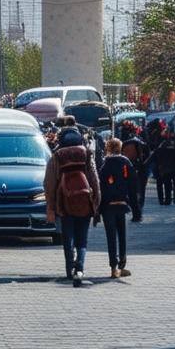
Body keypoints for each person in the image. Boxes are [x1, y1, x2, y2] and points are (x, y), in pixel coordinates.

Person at [44, 122, 100, 286]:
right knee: (82, 240)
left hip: (64, 203)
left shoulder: (57, 156)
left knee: (67, 238)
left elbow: (49, 182)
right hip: (84, 202)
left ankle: (70, 270)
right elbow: (94, 179)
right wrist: (96, 202)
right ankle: (80, 268)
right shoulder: (86, 153)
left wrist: (51, 206)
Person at [98, 138, 137, 278]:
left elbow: (99, 185)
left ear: (108, 148)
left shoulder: (104, 164)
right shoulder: (126, 162)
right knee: (122, 235)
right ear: (120, 148)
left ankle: (113, 268)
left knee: (111, 236)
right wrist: (134, 206)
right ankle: (122, 265)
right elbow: (133, 184)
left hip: (107, 205)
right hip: (122, 204)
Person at [118, 121, 148, 222]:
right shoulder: (140, 140)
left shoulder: (125, 143)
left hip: (130, 169)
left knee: (132, 193)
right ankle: (139, 211)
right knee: (140, 191)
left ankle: (137, 213)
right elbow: (147, 153)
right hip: (140, 168)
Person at [153, 123, 175, 206]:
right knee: (173, 184)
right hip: (172, 165)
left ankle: (167, 200)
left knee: (167, 184)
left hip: (165, 167)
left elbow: (158, 155)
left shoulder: (160, 143)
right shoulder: (174, 142)